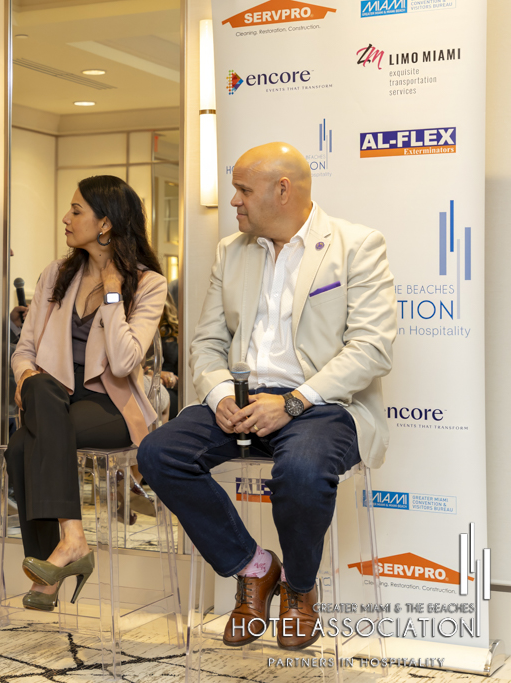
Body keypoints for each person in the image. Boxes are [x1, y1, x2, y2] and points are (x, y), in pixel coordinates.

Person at [138, 143, 397, 650]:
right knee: (159, 453)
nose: (234, 201)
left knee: (301, 471)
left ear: (283, 190)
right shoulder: (231, 250)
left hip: (321, 404)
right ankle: (255, 568)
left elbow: (372, 348)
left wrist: (294, 402)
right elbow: (206, 343)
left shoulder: (357, 245)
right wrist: (219, 395)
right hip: (242, 398)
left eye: (243, 190)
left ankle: (299, 588)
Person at [8, 175, 167, 611]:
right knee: (39, 388)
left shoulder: (148, 283)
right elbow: (24, 350)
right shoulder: (56, 275)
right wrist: (26, 377)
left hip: (110, 406)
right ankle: (71, 540)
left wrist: (113, 294)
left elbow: (124, 362)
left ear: (105, 224)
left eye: (76, 210)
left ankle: (56, 562)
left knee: (23, 445)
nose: (66, 217)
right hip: (52, 396)